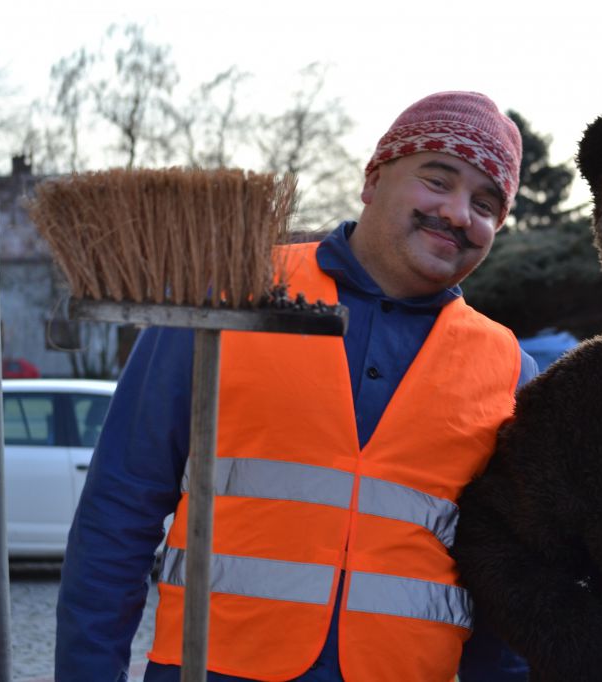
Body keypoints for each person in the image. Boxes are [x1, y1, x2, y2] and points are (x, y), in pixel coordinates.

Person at [56, 91, 537, 682]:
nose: (459, 213)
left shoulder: (508, 369)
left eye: (486, 204)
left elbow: (510, 582)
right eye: (438, 181)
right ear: (373, 180)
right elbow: (119, 508)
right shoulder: (228, 298)